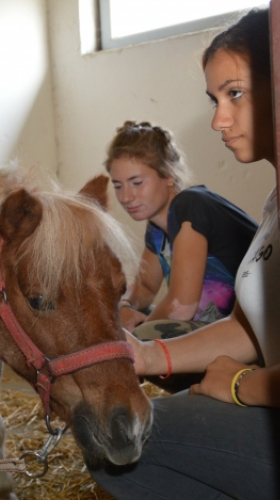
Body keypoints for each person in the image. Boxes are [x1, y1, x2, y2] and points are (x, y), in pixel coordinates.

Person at [90, 7, 280, 500]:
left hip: (255, 386)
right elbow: (247, 326)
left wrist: (242, 386)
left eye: (234, 93)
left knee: (122, 443)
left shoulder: (191, 206)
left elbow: (179, 304)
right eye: (215, 98)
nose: (219, 118)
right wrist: (144, 355)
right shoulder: (273, 204)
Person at [105, 121, 257, 390]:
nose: (126, 196)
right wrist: (125, 308)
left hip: (255, 335)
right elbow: (145, 287)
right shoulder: (156, 227)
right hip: (217, 324)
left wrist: (131, 339)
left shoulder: (189, 205)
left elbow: (181, 306)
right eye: (118, 186)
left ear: (168, 175)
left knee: (145, 334)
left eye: (137, 182)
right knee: (120, 321)